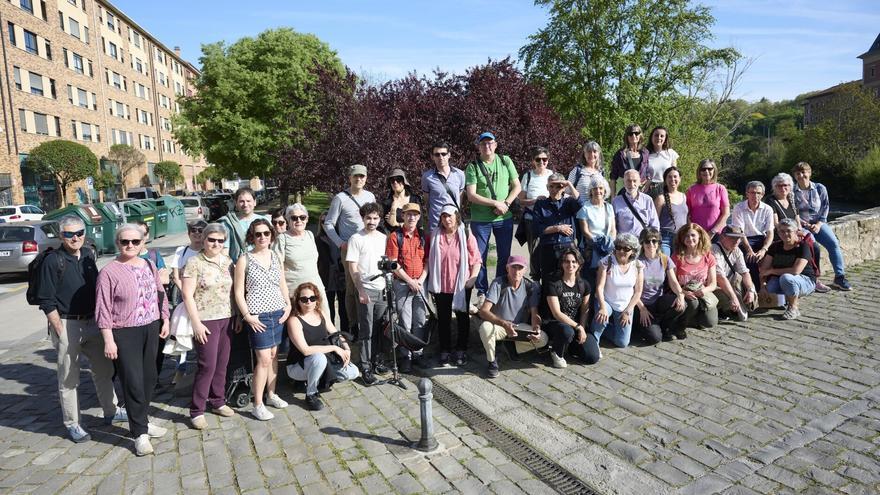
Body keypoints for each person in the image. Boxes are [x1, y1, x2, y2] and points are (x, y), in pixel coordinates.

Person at [37, 215, 125, 443]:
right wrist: (60, 329)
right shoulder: (52, 261)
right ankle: (73, 423)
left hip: (93, 322)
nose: (75, 237)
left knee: (104, 371)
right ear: (60, 236)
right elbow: (46, 300)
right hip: (68, 323)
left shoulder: (87, 254)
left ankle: (111, 411)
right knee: (69, 378)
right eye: (68, 234)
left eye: (79, 233)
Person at [96, 224, 170, 456]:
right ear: (117, 243)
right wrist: (108, 339)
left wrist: (165, 319)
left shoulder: (148, 264)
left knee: (150, 377)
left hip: (150, 327)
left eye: (135, 242)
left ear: (142, 243)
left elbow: (160, 293)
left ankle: (143, 420)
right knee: (133, 381)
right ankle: (139, 433)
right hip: (124, 332)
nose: (130, 246)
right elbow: (103, 309)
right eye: (124, 242)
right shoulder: (109, 272)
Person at [234, 219, 291, 421]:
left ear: (271, 235)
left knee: (274, 355)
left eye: (266, 233)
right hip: (258, 316)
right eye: (258, 234)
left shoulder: (275, 255)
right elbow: (239, 292)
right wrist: (247, 316)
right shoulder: (245, 259)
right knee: (263, 359)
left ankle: (271, 394)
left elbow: (282, 282)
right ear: (252, 236)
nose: (262, 237)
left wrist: (288, 304)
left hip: (278, 312)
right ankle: (257, 404)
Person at [180, 223, 236, 430]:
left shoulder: (228, 261)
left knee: (222, 363)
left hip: (227, 317)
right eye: (211, 239)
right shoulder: (195, 262)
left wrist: (236, 315)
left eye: (220, 240)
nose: (216, 244)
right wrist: (196, 323)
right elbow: (187, 294)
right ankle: (197, 410)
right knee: (207, 365)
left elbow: (232, 291)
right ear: (203, 240)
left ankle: (218, 400)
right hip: (206, 320)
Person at [465, 132, 522, 299]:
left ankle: (498, 289)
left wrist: (506, 204)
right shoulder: (473, 166)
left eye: (490, 143)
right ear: (479, 147)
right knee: (479, 257)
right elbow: (471, 195)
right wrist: (495, 203)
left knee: (504, 256)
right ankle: (482, 292)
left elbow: (517, 186)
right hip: (481, 220)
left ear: (495, 145)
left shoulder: (505, 161)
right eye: (483, 144)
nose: (487, 146)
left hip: (504, 218)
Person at [286, 283, 359, 411]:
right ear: (298, 301)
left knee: (353, 372)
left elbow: (334, 332)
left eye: (312, 298)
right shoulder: (294, 320)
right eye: (304, 299)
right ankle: (311, 394)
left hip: (324, 360)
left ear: (317, 299)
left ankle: (316, 378)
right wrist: (335, 348)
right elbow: (305, 350)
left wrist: (346, 348)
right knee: (318, 358)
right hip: (299, 365)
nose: (308, 302)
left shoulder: (320, 313)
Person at [324, 164, 377, 333]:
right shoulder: (340, 198)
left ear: (366, 178)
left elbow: (374, 219)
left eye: (362, 176)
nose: (359, 179)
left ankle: (369, 322)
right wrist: (340, 242)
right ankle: (354, 325)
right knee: (352, 287)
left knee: (370, 282)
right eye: (356, 176)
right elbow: (329, 223)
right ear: (350, 178)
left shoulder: (370, 196)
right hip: (349, 248)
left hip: (368, 247)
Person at [426, 205, 481, 366]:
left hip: (461, 285)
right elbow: (428, 258)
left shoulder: (465, 234)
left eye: (449, 216)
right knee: (443, 319)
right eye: (443, 216)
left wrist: (472, 279)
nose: (447, 219)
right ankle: (445, 350)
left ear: (457, 216)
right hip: (441, 285)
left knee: (463, 318)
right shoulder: (435, 235)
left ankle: (461, 349)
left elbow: (476, 258)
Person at [477, 255, 548, 378]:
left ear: (525, 270)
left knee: (543, 339)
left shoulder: (530, 286)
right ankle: (492, 361)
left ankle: (513, 347)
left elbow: (534, 312)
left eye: (520, 268)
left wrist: (536, 327)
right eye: (513, 267)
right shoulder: (498, 283)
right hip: (500, 325)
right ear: (507, 268)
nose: (517, 271)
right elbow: (483, 311)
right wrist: (504, 323)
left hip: (519, 327)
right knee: (485, 328)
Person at [345, 202, 388, 385]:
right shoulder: (356, 238)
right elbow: (352, 265)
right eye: (368, 218)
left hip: (382, 289)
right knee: (366, 330)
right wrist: (360, 289)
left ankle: (376, 359)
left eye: (375, 218)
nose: (372, 221)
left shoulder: (383, 237)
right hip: (366, 290)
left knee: (379, 327)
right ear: (362, 218)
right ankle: (365, 366)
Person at [766, 173, 830, 293]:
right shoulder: (771, 200)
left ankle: (814, 278)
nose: (783, 188)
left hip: (794, 232)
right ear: (774, 186)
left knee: (814, 246)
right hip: (780, 234)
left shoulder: (791, 198)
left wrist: (800, 230)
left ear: (790, 186)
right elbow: (776, 223)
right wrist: (791, 232)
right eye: (779, 185)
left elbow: (797, 218)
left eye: (786, 185)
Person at [792, 162, 852, 291]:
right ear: (794, 176)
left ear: (810, 173)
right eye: (798, 173)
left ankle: (839, 277)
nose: (801, 175)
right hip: (801, 225)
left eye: (804, 172)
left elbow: (825, 208)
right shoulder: (791, 191)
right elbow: (792, 212)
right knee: (813, 246)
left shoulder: (820, 188)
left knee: (834, 243)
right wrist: (806, 225)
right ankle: (814, 279)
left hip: (819, 223)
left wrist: (818, 224)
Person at [385, 203, 428, 372]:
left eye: (415, 215)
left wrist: (420, 280)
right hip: (403, 284)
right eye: (408, 214)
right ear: (403, 216)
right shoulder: (395, 236)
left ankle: (418, 353)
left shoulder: (423, 236)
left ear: (418, 217)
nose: (411, 217)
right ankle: (406, 356)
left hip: (420, 283)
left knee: (420, 320)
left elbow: (427, 262)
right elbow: (393, 264)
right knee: (405, 322)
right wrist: (410, 281)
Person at [168, 219, 208, 385]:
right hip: (184, 297)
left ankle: (202, 368)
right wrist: (186, 291)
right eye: (194, 231)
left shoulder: (208, 250)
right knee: (182, 334)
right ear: (189, 233)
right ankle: (180, 370)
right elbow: (175, 276)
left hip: (204, 299)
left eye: (200, 231)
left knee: (202, 334)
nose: (197, 234)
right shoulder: (181, 251)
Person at [275, 203, 331, 317]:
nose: (298, 220)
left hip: (315, 288)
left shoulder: (310, 235)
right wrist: (285, 295)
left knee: (323, 320)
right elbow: (277, 269)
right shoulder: (282, 239)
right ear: (288, 220)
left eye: (302, 217)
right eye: (294, 218)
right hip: (296, 292)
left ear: (307, 219)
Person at [591, 234, 644, 354]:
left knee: (622, 342)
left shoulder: (638, 265)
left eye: (626, 248)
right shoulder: (607, 262)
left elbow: (638, 292)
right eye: (619, 247)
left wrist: (628, 310)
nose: (621, 251)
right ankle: (594, 341)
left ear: (633, 251)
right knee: (602, 317)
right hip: (607, 301)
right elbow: (599, 288)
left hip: (625, 305)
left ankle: (602, 329)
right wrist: (603, 307)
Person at [133, 220, 172, 379]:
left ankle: (153, 377)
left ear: (147, 236)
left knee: (157, 346)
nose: (138, 238)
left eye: (142, 234)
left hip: (156, 308)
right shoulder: (123, 256)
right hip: (135, 312)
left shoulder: (154, 255)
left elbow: (165, 280)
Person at [541, 247, 592, 367]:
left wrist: (582, 328)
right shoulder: (553, 284)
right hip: (555, 324)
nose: (570, 264)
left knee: (592, 357)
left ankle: (570, 347)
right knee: (567, 331)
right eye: (567, 261)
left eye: (574, 261)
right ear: (562, 264)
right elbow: (556, 313)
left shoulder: (584, 284)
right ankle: (555, 351)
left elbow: (585, 310)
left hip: (575, 325)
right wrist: (578, 327)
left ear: (579, 264)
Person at [634, 228, 686, 343]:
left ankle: (665, 326)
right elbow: (632, 290)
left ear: (659, 243)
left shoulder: (664, 259)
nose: (651, 244)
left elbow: (673, 282)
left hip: (659, 302)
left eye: (654, 241)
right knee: (655, 339)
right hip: (642, 304)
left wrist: (680, 295)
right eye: (647, 241)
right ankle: (641, 326)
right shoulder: (637, 261)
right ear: (642, 243)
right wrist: (642, 309)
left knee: (682, 304)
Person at [759, 218, 818, 320]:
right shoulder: (775, 246)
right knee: (769, 291)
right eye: (782, 231)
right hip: (780, 279)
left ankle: (793, 308)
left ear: (795, 232)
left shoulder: (802, 247)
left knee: (786, 278)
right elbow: (764, 270)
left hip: (804, 280)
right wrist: (763, 286)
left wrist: (772, 271)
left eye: (788, 231)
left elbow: (796, 271)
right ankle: (786, 298)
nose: (785, 234)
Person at [532, 173, 583, 281]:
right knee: (548, 282)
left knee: (568, 281)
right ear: (547, 187)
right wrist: (558, 228)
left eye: (558, 186)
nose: (555, 189)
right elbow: (538, 229)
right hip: (548, 247)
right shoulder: (541, 204)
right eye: (551, 186)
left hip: (567, 247)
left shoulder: (569, 203)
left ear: (563, 187)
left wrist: (569, 184)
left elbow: (581, 204)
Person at [670, 223, 718, 337]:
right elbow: (672, 282)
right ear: (682, 238)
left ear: (700, 237)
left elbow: (713, 284)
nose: (689, 238)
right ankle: (680, 325)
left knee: (709, 322)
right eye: (686, 236)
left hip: (702, 293)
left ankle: (691, 318)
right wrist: (683, 293)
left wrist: (704, 291)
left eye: (693, 235)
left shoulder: (708, 256)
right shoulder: (676, 257)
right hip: (683, 293)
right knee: (693, 302)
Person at [516, 146, 554, 275]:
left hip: (550, 219)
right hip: (532, 220)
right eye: (538, 159)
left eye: (545, 159)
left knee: (551, 250)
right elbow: (521, 201)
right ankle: (536, 280)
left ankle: (550, 281)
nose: (542, 162)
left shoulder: (552, 175)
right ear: (533, 161)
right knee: (535, 252)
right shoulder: (528, 176)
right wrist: (535, 201)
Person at [730, 181, 775, 288]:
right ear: (747, 194)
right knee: (750, 258)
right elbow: (740, 232)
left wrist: (764, 249)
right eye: (752, 193)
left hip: (761, 239)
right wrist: (750, 250)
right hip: (744, 239)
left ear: (763, 194)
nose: (755, 195)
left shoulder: (767, 209)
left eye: (758, 193)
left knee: (774, 254)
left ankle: (771, 289)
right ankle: (754, 289)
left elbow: (770, 232)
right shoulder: (739, 208)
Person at [711, 226, 758, 322]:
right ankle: (722, 309)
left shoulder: (737, 250)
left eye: (739, 238)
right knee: (728, 299)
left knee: (750, 285)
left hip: (729, 282)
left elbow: (744, 272)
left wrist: (750, 290)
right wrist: (734, 298)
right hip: (714, 284)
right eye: (733, 238)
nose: (736, 241)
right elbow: (720, 277)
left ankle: (737, 306)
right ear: (723, 237)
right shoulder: (714, 249)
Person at [421, 142, 466, 233]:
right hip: (436, 223)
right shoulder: (427, 177)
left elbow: (460, 198)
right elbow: (427, 201)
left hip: (454, 221)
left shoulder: (460, 174)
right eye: (437, 154)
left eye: (443, 154)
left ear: (449, 155)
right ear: (432, 157)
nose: (441, 157)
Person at [577, 176, 616, 279]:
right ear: (591, 191)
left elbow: (613, 229)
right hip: (591, 250)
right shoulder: (585, 209)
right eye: (595, 188)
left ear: (605, 190)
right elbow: (585, 231)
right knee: (590, 282)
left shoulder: (609, 207)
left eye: (600, 188)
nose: (598, 191)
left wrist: (610, 244)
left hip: (607, 249)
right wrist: (597, 244)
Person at [218, 187, 269, 262]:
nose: (245, 204)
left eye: (248, 201)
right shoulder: (227, 223)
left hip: (263, 263)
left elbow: (271, 246)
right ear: (236, 203)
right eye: (241, 201)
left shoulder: (265, 221)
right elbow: (224, 251)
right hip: (238, 266)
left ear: (255, 202)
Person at [316, 211, 348, 331]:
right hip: (326, 277)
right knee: (328, 308)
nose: (326, 224)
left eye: (328, 221)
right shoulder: (318, 239)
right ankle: (331, 332)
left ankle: (345, 332)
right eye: (323, 221)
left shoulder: (340, 238)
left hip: (341, 275)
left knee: (343, 308)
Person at [686, 159, 730, 236]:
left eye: (710, 169)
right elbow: (686, 213)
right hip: (697, 235)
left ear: (714, 170)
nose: (706, 171)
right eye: (703, 169)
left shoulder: (720, 189)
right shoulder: (691, 190)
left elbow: (726, 213)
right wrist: (692, 229)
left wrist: (713, 231)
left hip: (717, 234)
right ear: (699, 171)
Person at [612, 169, 659, 238]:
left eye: (634, 181)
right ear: (624, 183)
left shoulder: (647, 200)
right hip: (624, 243)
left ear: (639, 182)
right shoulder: (616, 201)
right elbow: (613, 226)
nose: (632, 184)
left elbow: (654, 224)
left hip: (643, 241)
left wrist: (651, 240)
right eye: (628, 181)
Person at [654, 166, 688, 256]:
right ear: (665, 180)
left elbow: (688, 217)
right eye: (669, 177)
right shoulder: (660, 198)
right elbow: (654, 221)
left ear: (680, 179)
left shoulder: (684, 196)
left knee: (679, 266)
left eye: (675, 176)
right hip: (665, 238)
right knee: (666, 265)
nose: (672, 179)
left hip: (682, 237)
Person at [610, 124, 649, 194]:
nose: (634, 136)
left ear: (640, 135)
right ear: (627, 136)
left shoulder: (645, 153)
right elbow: (613, 177)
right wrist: (613, 196)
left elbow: (648, 173)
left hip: (640, 193)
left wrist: (646, 182)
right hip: (623, 192)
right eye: (630, 134)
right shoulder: (620, 154)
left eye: (636, 133)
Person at [381, 168, 422, 233]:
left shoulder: (415, 199)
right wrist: (393, 208)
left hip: (413, 237)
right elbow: (389, 226)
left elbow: (419, 223)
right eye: (392, 180)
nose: (395, 182)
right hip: (395, 239)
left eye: (398, 179)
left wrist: (397, 224)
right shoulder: (387, 203)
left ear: (404, 181)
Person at [642, 126, 679, 198]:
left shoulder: (670, 153)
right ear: (651, 137)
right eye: (656, 135)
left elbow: (675, 175)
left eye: (662, 136)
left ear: (665, 138)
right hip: (649, 189)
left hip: (666, 188)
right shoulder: (645, 154)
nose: (659, 138)